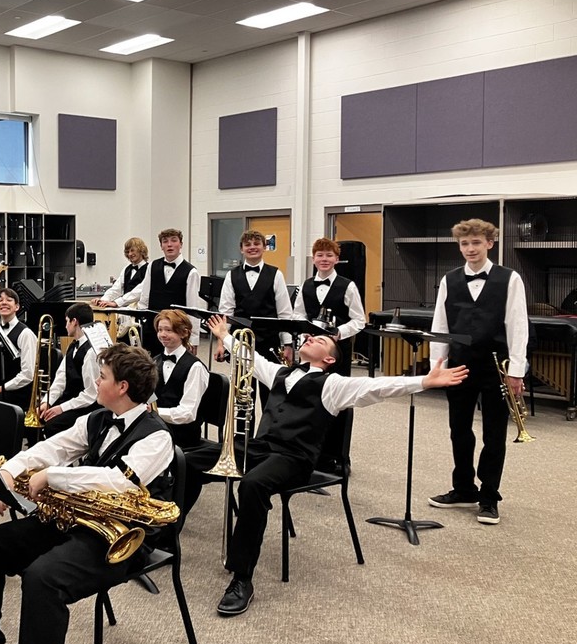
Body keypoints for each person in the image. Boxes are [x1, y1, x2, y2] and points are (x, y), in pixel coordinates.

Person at [208, 316, 468, 617]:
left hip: (293, 458)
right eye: (309, 338)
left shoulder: (334, 385)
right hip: (262, 447)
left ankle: (242, 579)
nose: (309, 339)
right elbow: (248, 356)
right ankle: (156, 539)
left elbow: (377, 387)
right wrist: (224, 335)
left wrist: (423, 381)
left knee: (253, 485)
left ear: (329, 358)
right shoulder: (280, 372)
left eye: (319, 340)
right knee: (194, 457)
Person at [0, 344, 172, 644]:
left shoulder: (157, 437)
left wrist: (54, 477)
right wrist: (9, 473)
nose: (96, 381)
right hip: (77, 520)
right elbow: (53, 447)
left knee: (42, 578)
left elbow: (119, 482)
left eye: (102, 376)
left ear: (122, 387)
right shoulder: (99, 417)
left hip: (122, 539)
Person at [427, 218, 528, 526]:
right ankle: (463, 488)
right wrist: (437, 365)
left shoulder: (509, 279)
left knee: (494, 434)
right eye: (464, 244)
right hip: (458, 364)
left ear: (489, 244)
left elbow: (518, 325)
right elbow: (440, 325)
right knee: (459, 429)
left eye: (476, 243)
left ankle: (489, 496)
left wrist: (517, 370)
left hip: (495, 367)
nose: (470, 249)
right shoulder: (449, 279)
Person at [292, 237, 366, 471]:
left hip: (338, 354)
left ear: (336, 259)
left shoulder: (348, 285)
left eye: (329, 255)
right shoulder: (305, 286)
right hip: (312, 354)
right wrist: (305, 336)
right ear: (313, 259)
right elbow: (297, 315)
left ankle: (339, 457)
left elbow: (359, 320)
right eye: (320, 255)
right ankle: (313, 454)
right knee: (313, 401)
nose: (324, 260)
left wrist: (338, 333)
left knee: (339, 402)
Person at [216, 229, 294, 408]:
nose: (252, 248)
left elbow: (284, 313)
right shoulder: (231, 275)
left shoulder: (276, 274)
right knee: (242, 395)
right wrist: (221, 343)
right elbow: (225, 311)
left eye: (256, 244)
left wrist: (288, 345)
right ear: (241, 249)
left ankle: (267, 435)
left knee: (271, 395)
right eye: (247, 245)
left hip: (269, 341)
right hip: (240, 341)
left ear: (264, 247)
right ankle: (243, 436)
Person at [137, 228, 203, 356]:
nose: (169, 244)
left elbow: (193, 307)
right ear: (161, 246)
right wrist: (143, 322)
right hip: (153, 328)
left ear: (181, 244)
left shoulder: (191, 272)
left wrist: (193, 339)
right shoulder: (152, 266)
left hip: (176, 331)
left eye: (174, 240)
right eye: (165, 241)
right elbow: (144, 297)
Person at [150, 309, 209, 450]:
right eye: (160, 330)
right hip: (157, 429)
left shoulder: (195, 367)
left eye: (169, 330)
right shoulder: (155, 361)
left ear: (184, 333)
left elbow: (187, 413)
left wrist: (154, 412)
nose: (162, 335)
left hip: (182, 436)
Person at [39, 303, 100, 437]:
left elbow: (91, 394)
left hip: (86, 408)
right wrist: (47, 402)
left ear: (74, 322)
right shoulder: (72, 346)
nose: (65, 326)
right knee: (39, 418)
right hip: (71, 402)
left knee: (51, 426)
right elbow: (60, 379)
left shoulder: (91, 352)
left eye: (67, 321)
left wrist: (61, 408)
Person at [92, 237, 149, 341]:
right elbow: (116, 289)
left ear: (141, 250)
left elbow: (139, 291)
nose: (130, 254)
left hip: (139, 314)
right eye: (127, 251)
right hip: (124, 315)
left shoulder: (149, 269)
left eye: (132, 250)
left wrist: (117, 303)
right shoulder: (126, 269)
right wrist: (103, 300)